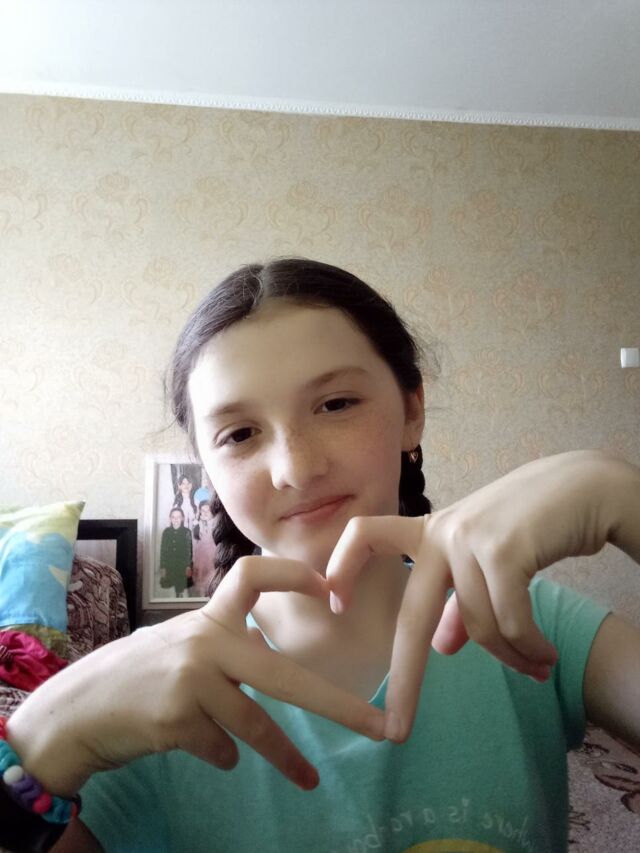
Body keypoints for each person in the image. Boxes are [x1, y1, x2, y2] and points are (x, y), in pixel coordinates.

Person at [2, 258, 639, 853]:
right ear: (207, 470)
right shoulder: (160, 702)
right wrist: (41, 744)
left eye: (336, 405)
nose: (297, 468)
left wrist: (620, 495)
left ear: (412, 410)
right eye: (240, 433)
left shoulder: (523, 618)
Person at [158, 507, 193, 598]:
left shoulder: (187, 532)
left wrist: (188, 566)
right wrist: (163, 566)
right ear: (170, 518)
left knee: (182, 589)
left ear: (182, 518)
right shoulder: (166, 532)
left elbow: (189, 550)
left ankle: (181, 600)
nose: (176, 519)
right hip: (170, 565)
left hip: (182, 565)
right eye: (173, 517)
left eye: (178, 517)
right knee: (171, 590)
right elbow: (163, 550)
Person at [190, 500, 218, 597]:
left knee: (213, 582)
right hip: (200, 560)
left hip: (212, 559)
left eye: (208, 511)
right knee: (200, 583)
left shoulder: (216, 526)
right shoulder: (197, 526)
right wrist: (193, 561)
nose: (205, 513)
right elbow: (194, 545)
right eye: (203, 510)